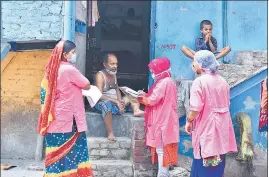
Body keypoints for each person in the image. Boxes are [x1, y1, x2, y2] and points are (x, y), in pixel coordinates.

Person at [37, 40, 94, 177]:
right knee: (74, 154)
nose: (75, 55)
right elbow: (86, 84)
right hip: (69, 119)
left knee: (55, 156)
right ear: (65, 54)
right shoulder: (68, 69)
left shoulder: (51, 69)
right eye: (73, 52)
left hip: (54, 118)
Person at [185, 50, 237, 177]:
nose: (193, 65)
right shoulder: (223, 81)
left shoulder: (200, 82)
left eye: (195, 62)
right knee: (217, 167)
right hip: (222, 132)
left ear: (201, 65)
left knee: (205, 167)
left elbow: (196, 108)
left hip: (207, 132)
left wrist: (189, 120)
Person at [137, 57, 179, 177]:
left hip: (162, 119)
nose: (152, 72)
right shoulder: (167, 81)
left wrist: (140, 98)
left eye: (153, 70)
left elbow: (152, 100)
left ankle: (163, 174)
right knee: (163, 149)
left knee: (161, 150)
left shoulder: (164, 82)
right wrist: (145, 95)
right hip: (167, 118)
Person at [94, 53, 144, 141]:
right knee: (107, 104)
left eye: (116, 64)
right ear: (105, 64)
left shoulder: (113, 74)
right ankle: (110, 133)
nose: (115, 66)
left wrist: (120, 102)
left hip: (115, 102)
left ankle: (136, 110)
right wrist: (115, 101)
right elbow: (99, 95)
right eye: (112, 64)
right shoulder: (100, 75)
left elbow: (116, 89)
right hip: (102, 103)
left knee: (132, 95)